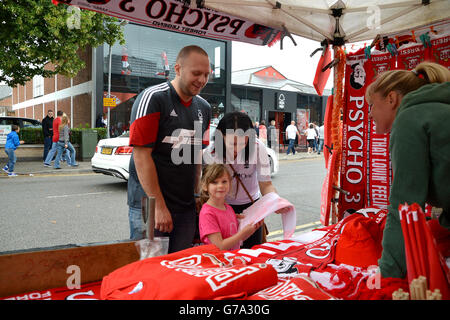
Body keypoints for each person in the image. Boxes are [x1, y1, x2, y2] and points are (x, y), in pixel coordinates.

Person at [365, 61, 450, 279]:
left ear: (391, 99)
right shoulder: (437, 110)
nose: (370, 114)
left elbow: (405, 204)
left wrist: (388, 273)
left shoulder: (409, 118)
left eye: (372, 104)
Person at [128, 45, 212, 252]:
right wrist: (158, 206)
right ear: (177, 69)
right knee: (149, 271)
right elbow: (141, 156)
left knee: (180, 267)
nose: (201, 80)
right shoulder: (153, 98)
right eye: (196, 73)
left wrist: (197, 193)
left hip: (185, 206)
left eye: (206, 75)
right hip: (149, 206)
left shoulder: (204, 108)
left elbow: (196, 155)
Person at [203, 111, 289, 248]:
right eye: (233, 144)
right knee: (226, 253)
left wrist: (275, 201)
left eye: (243, 143)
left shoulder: (258, 147)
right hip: (222, 206)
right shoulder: (211, 153)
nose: (237, 149)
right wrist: (225, 213)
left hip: (252, 207)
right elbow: (208, 188)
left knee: (252, 251)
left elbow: (266, 184)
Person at [199, 163, 263, 250]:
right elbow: (219, 246)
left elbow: (235, 239)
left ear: (230, 183)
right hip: (219, 261)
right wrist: (242, 234)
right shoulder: (207, 213)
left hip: (232, 259)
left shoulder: (228, 208)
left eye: (224, 181)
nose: (220, 186)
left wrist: (251, 229)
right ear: (205, 186)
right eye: (214, 182)